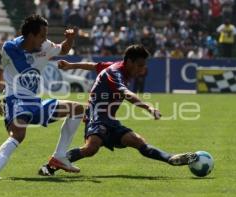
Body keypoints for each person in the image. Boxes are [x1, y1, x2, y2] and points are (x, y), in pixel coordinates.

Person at [39, 45, 197, 176]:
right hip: (96, 115)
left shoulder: (116, 66)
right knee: (91, 147)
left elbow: (95, 66)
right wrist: (147, 107)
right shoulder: (115, 73)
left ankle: (170, 158)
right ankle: (52, 164)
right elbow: (126, 93)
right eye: (140, 65)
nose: (142, 70)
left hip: (110, 119)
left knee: (138, 141)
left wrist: (71, 65)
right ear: (129, 61)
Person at [0, 14, 84, 180]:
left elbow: (63, 49)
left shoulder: (45, 46)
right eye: (42, 35)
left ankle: (59, 157)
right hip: (15, 100)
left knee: (78, 109)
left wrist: (70, 39)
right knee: (19, 134)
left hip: (35, 102)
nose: (45, 39)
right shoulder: (9, 48)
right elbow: (2, 70)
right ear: (30, 35)